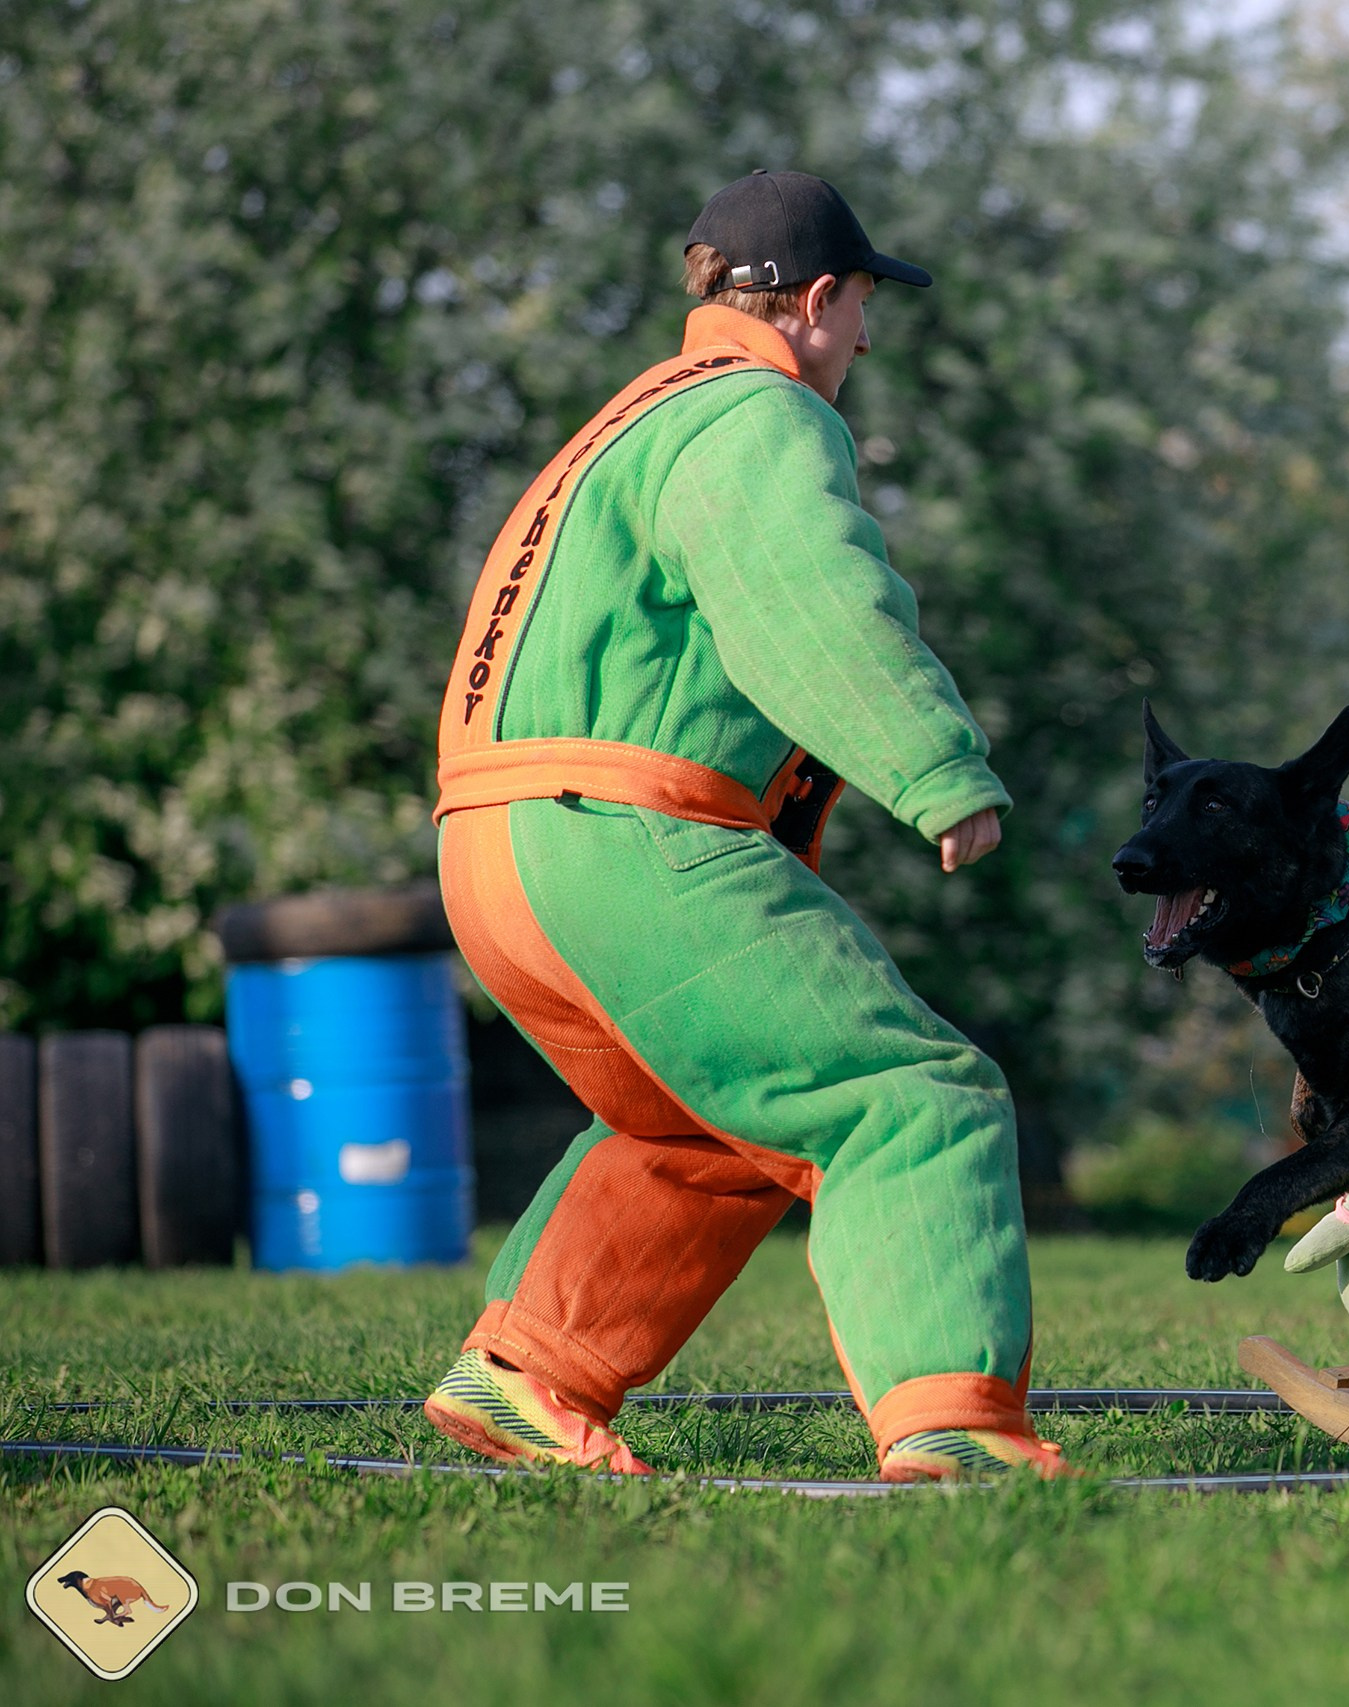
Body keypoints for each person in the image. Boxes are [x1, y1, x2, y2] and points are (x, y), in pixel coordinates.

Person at [419, 170, 1064, 1482]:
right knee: (907, 1093)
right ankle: (952, 1422)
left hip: (495, 847)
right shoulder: (759, 412)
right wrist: (936, 765)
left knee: (702, 1128)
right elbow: (807, 593)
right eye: (866, 310)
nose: (867, 346)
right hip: (624, 834)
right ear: (820, 300)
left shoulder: (626, 420)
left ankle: (528, 1375)